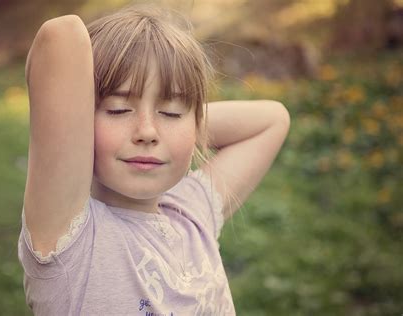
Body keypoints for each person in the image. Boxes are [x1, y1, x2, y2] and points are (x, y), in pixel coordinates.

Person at [18, 4, 290, 315]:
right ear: (79, 124)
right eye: (118, 110)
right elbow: (61, 36)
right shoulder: (70, 237)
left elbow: (273, 119)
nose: (147, 132)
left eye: (171, 112)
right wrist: (173, 121)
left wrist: (186, 128)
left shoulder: (191, 213)